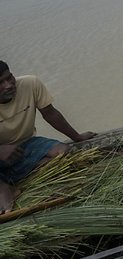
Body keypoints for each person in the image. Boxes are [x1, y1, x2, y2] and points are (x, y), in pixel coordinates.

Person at [0, 61, 96, 213]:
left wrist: (77, 137)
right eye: (0, 83)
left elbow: (50, 114)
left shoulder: (30, 83)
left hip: (26, 145)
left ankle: (15, 180)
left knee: (63, 153)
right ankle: (4, 187)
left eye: (9, 77)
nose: (8, 85)